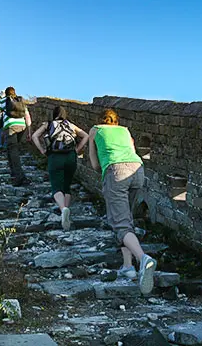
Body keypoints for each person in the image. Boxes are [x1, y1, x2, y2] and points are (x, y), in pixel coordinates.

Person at [88, 109, 157, 294]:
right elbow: (132, 150)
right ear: (116, 120)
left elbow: (94, 164)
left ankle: (143, 259)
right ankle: (128, 266)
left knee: (120, 222)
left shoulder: (95, 130)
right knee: (126, 219)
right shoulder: (125, 130)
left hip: (116, 171)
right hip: (137, 170)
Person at [32, 106, 88, 230]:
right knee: (66, 185)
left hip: (55, 156)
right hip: (71, 156)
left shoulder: (48, 124)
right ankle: (66, 216)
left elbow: (34, 136)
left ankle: (63, 210)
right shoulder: (71, 125)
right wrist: (77, 149)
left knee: (56, 186)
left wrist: (42, 150)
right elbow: (86, 136)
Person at [0, 86, 32, 186]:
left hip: (10, 127)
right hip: (22, 127)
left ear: (6, 94)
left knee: (13, 151)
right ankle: (14, 174)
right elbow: (27, 117)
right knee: (12, 149)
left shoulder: (3, 101)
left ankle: (20, 177)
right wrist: (29, 131)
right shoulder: (21, 101)